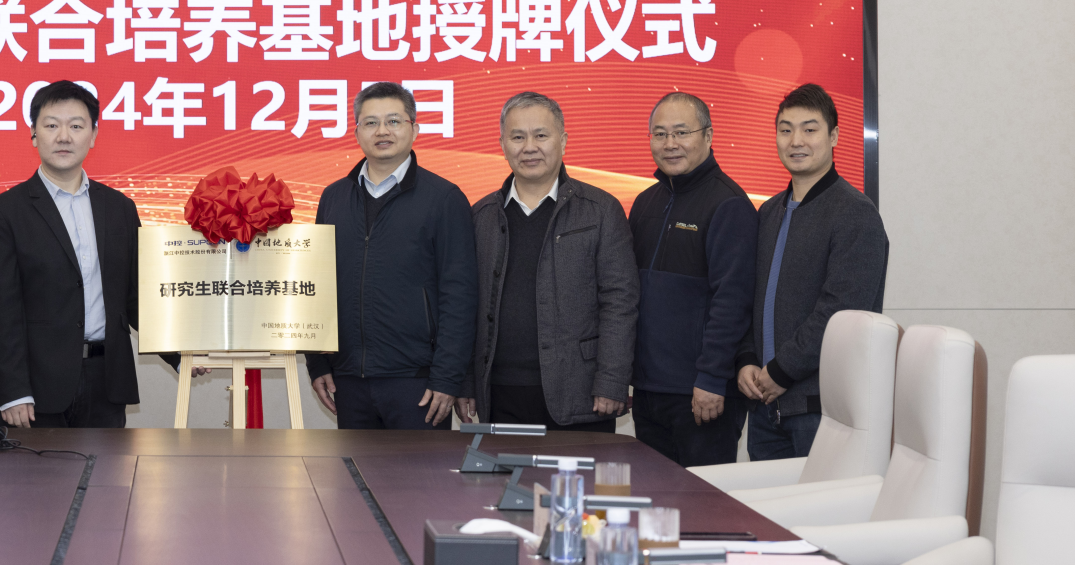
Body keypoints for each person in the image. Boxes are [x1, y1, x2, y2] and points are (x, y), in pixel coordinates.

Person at [459, 92, 636, 431]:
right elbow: (466, 306)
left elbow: (620, 301)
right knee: (503, 470)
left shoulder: (600, 210)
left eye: (541, 135)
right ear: (502, 144)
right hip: (499, 392)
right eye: (517, 137)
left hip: (581, 393)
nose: (529, 147)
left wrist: (612, 380)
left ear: (563, 141)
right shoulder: (480, 216)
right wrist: (466, 382)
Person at [304, 82, 477, 429]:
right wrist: (317, 362)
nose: (382, 131)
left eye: (394, 121)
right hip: (347, 378)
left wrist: (448, 377)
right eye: (371, 123)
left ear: (415, 129)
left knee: (420, 469)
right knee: (352, 467)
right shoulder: (333, 197)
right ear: (357, 132)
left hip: (419, 382)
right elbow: (316, 285)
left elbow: (460, 295)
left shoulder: (444, 198)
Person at [735, 83, 890, 460]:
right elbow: (749, 298)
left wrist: (781, 372)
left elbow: (840, 313)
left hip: (821, 410)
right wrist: (746, 359)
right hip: (765, 408)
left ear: (833, 136)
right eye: (785, 130)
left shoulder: (856, 214)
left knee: (825, 500)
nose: (796, 141)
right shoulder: (768, 212)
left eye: (809, 129)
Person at [0, 81, 143, 428]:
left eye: (76, 126)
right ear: (34, 134)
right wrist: (13, 390)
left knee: (107, 467)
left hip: (106, 382)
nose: (64, 137)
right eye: (52, 125)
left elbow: (134, 297)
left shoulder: (120, 208)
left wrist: (181, 350)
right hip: (35, 389)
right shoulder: (3, 213)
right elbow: (4, 309)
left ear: (93, 135)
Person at [627, 92, 758, 466]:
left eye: (681, 132)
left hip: (702, 393)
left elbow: (733, 301)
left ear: (708, 136)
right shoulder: (645, 203)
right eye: (660, 134)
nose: (670, 144)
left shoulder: (729, 204)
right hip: (649, 391)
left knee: (701, 498)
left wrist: (712, 379)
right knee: (654, 495)